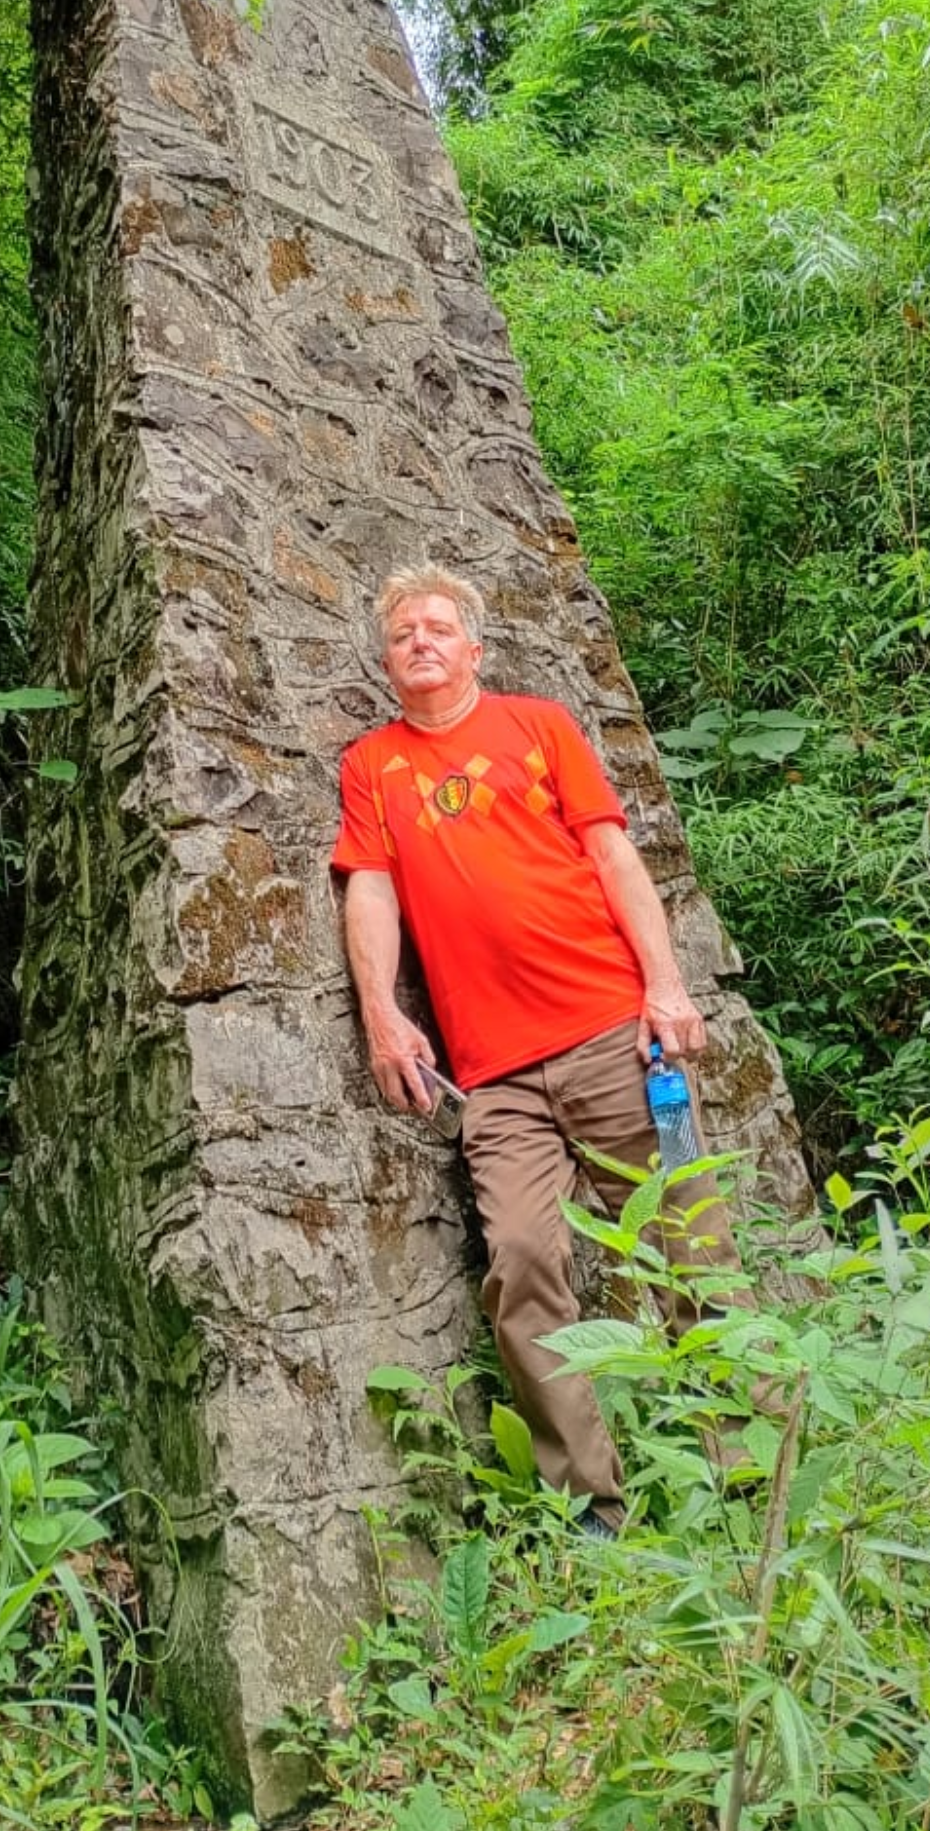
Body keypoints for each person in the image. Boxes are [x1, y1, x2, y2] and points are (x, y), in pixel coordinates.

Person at [332, 564, 750, 1535]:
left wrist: (666, 984)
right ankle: (593, 1506)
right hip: (494, 1078)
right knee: (520, 1262)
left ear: (475, 650)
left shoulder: (540, 726)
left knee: (689, 1238)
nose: (420, 641)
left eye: (439, 628)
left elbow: (612, 854)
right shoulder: (372, 764)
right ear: (387, 663)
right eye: (402, 634)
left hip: (613, 1036)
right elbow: (371, 888)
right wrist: (381, 1014)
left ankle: (744, 1467)